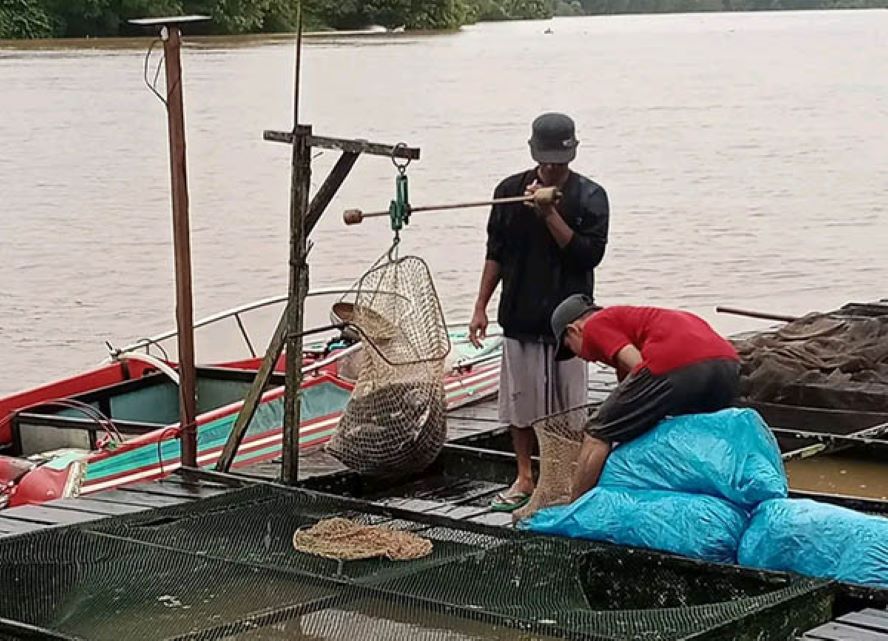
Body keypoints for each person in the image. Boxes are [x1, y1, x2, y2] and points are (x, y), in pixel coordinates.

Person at [469, 113, 610, 512]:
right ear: (534, 154)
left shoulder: (591, 197)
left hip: (571, 325)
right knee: (522, 404)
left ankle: (563, 478)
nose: (551, 168)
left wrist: (549, 215)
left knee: (569, 405)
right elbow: (495, 253)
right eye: (545, 160)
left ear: (571, 154)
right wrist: (480, 305)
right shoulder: (509, 192)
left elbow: (588, 254)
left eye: (559, 161)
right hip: (521, 315)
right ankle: (525, 477)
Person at [549, 295, 742, 501]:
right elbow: (629, 388)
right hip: (727, 364)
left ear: (573, 330)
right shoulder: (628, 318)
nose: (580, 357)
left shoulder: (596, 324)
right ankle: (726, 493)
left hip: (676, 363)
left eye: (570, 348)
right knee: (706, 431)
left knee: (597, 431)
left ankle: (576, 504)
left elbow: (636, 365)